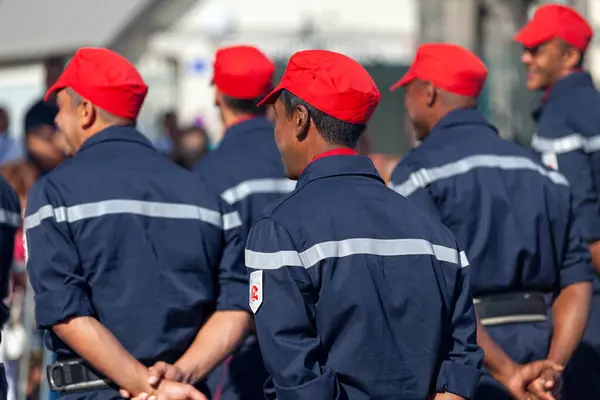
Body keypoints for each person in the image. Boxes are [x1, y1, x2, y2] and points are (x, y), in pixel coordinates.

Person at [245, 49, 484, 400]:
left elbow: (297, 379)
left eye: (276, 118)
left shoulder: (279, 230)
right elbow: (460, 361)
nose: (275, 135)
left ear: (299, 119)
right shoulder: (435, 234)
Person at [24, 47, 254, 400]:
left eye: (61, 110)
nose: (57, 122)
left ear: (85, 111)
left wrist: (143, 385)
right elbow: (237, 305)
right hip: (186, 390)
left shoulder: (55, 193)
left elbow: (65, 311)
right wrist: (177, 376)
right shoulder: (205, 195)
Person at [389, 43, 593, 400]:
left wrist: (508, 373)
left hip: (467, 364)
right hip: (543, 356)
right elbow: (577, 280)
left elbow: (430, 288)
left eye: (408, 93)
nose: (406, 105)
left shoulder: (417, 174)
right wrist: (551, 369)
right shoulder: (541, 172)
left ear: (430, 93)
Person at [187, 44, 289, 400]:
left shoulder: (209, 174)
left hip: (235, 354)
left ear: (218, 95)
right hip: (314, 349)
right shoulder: (301, 160)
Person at [514, 4, 600, 398]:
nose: (525, 58)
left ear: (570, 55)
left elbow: (585, 232)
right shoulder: (590, 106)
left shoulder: (562, 117)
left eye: (536, 49)